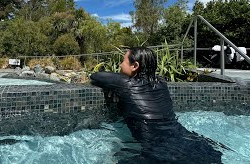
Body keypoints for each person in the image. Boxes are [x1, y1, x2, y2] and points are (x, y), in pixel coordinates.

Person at [90, 47, 224, 163]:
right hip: (190, 140)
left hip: (159, 152)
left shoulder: (125, 83)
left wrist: (115, 87)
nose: (120, 65)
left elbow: (96, 76)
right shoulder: (161, 82)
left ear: (135, 66)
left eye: (123, 61)